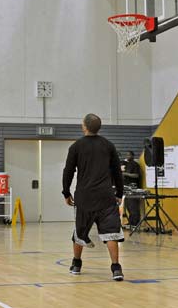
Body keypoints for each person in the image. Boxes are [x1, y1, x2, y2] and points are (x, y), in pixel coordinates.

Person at [62, 113, 125, 281]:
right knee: (112, 232)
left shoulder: (76, 147)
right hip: (106, 196)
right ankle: (116, 268)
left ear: (84, 127)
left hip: (84, 197)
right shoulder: (109, 145)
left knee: (80, 230)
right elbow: (117, 172)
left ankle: (76, 264)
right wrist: (119, 193)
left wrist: (66, 192)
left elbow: (68, 171)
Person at [122, 151, 141, 227]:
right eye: (126, 155)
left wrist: (126, 174)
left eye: (129, 155)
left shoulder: (135, 165)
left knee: (133, 206)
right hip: (126, 188)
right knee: (128, 206)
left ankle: (135, 223)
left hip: (133, 188)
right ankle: (131, 221)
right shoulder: (126, 165)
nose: (127, 156)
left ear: (133, 156)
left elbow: (136, 175)